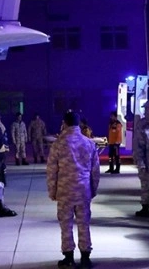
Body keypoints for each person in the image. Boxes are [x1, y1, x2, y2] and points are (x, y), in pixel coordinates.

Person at [47, 111, 100, 269]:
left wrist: (52, 191)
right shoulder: (89, 143)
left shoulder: (58, 144)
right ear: (78, 124)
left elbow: (52, 171)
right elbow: (95, 171)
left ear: (64, 123)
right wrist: (93, 189)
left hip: (64, 191)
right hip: (83, 190)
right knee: (84, 224)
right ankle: (85, 258)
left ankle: (68, 258)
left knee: (66, 225)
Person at [133, 101, 149, 218]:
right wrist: (140, 161)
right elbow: (138, 144)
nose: (146, 111)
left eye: (148, 109)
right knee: (145, 185)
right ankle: (145, 207)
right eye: (145, 109)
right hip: (146, 160)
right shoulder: (142, 124)